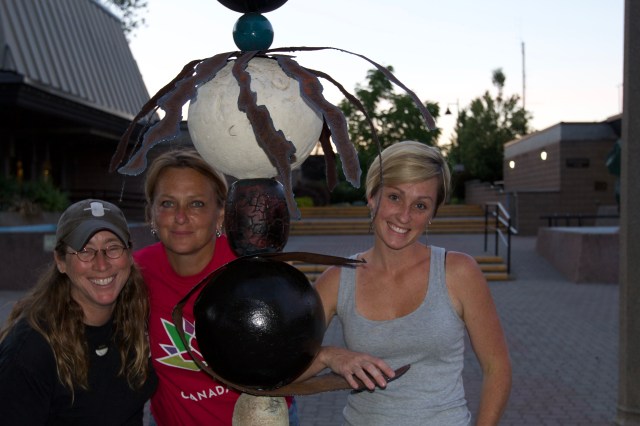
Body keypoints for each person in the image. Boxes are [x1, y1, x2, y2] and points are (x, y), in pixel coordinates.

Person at [304, 141, 512, 425]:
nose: (404, 215)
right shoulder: (338, 279)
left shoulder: (458, 272)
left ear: (432, 214)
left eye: (420, 205)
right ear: (372, 196)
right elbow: (284, 369)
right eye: (394, 197)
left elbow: (496, 367)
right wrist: (327, 356)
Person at [134, 148, 298, 425]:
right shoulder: (135, 272)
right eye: (168, 203)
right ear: (152, 213)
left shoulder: (252, 270)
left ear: (221, 214)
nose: (180, 216)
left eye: (196, 204)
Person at [0, 199, 157, 425]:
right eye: (85, 251)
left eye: (113, 248)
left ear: (129, 254)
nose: (101, 264)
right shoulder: (31, 351)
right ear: (61, 261)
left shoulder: (136, 320)